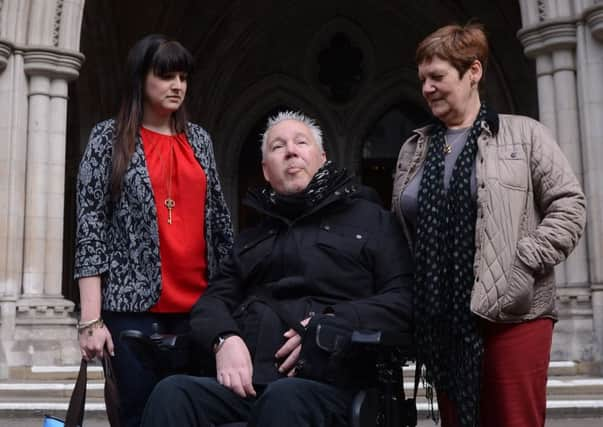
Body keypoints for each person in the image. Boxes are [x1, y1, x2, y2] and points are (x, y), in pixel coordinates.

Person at [140, 111, 414, 427]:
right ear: (266, 171)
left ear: (323, 158)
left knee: (284, 399)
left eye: (301, 142)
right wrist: (223, 338)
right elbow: (212, 302)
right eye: (278, 146)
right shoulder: (252, 238)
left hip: (332, 386)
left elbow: (403, 300)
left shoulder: (372, 221)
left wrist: (332, 321)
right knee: (172, 393)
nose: (291, 151)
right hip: (250, 385)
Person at [392, 23, 586, 427]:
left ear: (473, 72)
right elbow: (401, 232)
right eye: (423, 79)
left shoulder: (524, 135)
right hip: (441, 318)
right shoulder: (416, 148)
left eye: (438, 76)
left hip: (514, 315)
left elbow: (569, 207)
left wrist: (522, 262)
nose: (427, 88)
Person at [74, 34, 233, 427]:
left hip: (198, 312)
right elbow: (90, 229)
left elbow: (220, 225)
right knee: (139, 418)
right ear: (140, 79)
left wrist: (232, 306)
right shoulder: (107, 139)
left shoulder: (200, 141)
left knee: (196, 415)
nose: (177, 85)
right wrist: (91, 320)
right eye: (165, 76)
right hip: (132, 316)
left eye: (183, 76)